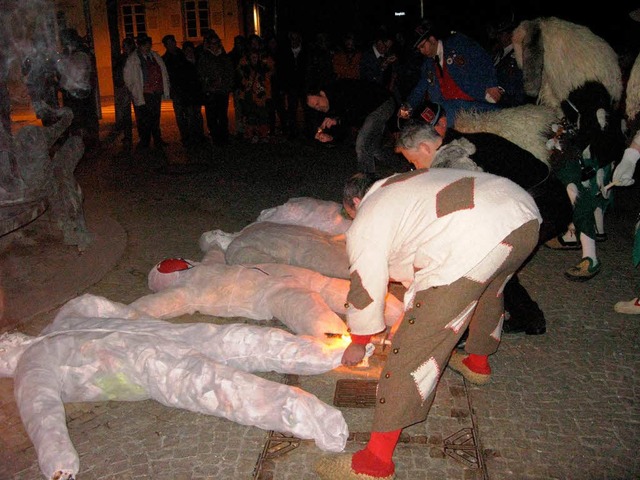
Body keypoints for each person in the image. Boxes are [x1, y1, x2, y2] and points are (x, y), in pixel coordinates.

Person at [314, 132, 541, 479]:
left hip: (477, 235)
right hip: (524, 217)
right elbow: (421, 252)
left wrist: (360, 340)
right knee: (489, 289)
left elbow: (365, 283)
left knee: (415, 343)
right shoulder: (406, 186)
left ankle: (374, 463)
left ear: (356, 203)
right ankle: (478, 362)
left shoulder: (369, 214)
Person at [1, 293, 353, 480]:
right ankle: (312, 417)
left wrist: (136, 318)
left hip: (160, 335)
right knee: (221, 387)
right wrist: (60, 465)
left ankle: (326, 353)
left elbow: (89, 302)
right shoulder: (32, 367)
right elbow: (41, 415)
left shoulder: (59, 323)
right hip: (146, 366)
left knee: (238, 339)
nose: (8, 343)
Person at [396, 102, 573, 335]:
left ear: (426, 144)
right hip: (539, 201)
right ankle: (526, 317)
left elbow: (468, 210)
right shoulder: (454, 146)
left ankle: (490, 323)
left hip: (546, 205)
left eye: (414, 160)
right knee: (496, 261)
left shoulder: (457, 158)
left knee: (490, 260)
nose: (414, 166)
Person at [404, 18, 502, 128]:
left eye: (422, 46)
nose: (421, 51)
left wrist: (491, 84)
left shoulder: (457, 43)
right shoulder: (427, 65)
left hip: (474, 103)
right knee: (426, 127)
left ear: (432, 39)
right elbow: (420, 89)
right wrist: (408, 106)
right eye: (419, 49)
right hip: (448, 108)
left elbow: (482, 58)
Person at [306, 78, 400, 173]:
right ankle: (402, 168)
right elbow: (344, 129)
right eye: (314, 107)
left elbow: (354, 114)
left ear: (322, 94)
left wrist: (337, 121)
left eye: (317, 103)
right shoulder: (326, 107)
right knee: (373, 147)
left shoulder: (339, 91)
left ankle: (365, 181)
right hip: (368, 112)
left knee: (362, 144)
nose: (318, 108)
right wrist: (330, 137)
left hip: (381, 103)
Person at [124, 34, 170, 152]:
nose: (148, 47)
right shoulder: (133, 59)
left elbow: (163, 71)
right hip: (143, 92)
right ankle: (145, 141)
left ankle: (157, 139)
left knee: (155, 117)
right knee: (144, 118)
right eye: (145, 45)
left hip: (155, 92)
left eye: (149, 45)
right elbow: (128, 77)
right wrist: (134, 89)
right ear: (139, 46)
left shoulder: (154, 56)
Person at [56, 28, 100, 149]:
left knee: (78, 121)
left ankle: (84, 146)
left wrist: (61, 85)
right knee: (86, 120)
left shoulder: (77, 56)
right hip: (83, 93)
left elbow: (68, 80)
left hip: (76, 95)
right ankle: (89, 143)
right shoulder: (82, 54)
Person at [197, 32, 234, 145]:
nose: (214, 46)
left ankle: (224, 136)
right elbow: (201, 73)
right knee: (212, 115)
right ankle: (215, 136)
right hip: (211, 91)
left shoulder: (224, 56)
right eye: (212, 43)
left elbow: (230, 72)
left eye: (216, 43)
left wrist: (226, 85)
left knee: (222, 114)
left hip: (222, 91)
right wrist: (209, 84)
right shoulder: (205, 57)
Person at [487, 11, 526, 107]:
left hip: (509, 105)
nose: (498, 37)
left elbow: (515, 88)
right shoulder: (496, 54)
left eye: (501, 34)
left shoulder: (518, 55)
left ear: (510, 34)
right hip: (495, 102)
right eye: (498, 34)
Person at [161, 34, 194, 146]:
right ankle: (185, 136)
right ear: (166, 46)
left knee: (190, 113)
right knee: (180, 115)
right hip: (176, 90)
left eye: (173, 42)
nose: (172, 45)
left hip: (187, 88)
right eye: (169, 43)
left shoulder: (182, 54)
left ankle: (192, 135)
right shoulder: (165, 59)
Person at [277, 30, 308, 139]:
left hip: (304, 85)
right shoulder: (286, 53)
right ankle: (293, 131)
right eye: (292, 39)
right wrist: (283, 86)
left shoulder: (306, 52)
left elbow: (308, 69)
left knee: (307, 108)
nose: (294, 41)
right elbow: (282, 70)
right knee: (292, 109)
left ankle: (308, 131)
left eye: (296, 38)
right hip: (291, 86)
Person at [109, 37, 136, 152]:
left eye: (125, 46)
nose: (124, 48)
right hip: (124, 88)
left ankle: (138, 136)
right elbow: (117, 73)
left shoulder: (134, 57)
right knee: (126, 114)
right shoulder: (122, 58)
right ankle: (128, 136)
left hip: (133, 87)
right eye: (123, 46)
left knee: (139, 112)